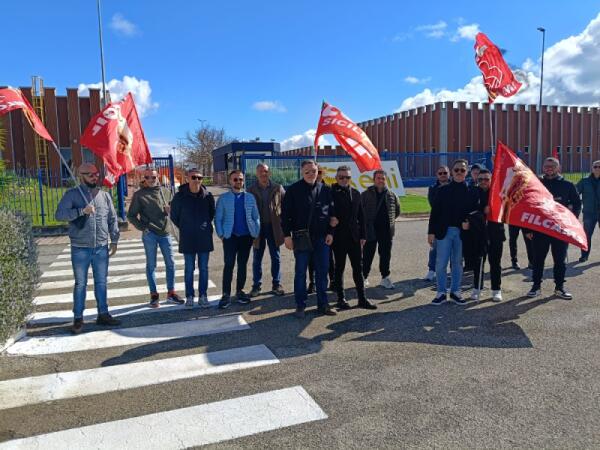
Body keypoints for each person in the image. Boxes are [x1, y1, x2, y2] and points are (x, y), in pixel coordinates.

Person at [55, 163, 120, 334]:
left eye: (96, 174)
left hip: (101, 247)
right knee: (80, 284)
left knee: (101, 282)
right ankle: (78, 317)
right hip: (80, 248)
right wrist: (81, 211)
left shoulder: (104, 196)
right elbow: (59, 215)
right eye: (90, 174)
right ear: (81, 175)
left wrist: (114, 240)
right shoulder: (72, 195)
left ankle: (103, 314)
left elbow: (112, 218)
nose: (94, 177)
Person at [282, 160, 337, 318]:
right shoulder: (293, 190)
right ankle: (300, 305)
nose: (311, 174)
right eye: (308, 171)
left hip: (322, 239)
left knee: (322, 272)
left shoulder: (325, 190)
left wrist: (331, 233)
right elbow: (285, 216)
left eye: (314, 171)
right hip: (301, 238)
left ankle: (323, 304)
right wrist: (287, 236)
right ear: (302, 172)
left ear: (318, 171)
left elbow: (332, 214)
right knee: (300, 273)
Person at [527, 157, 581, 299]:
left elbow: (577, 204)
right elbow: (528, 206)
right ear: (543, 167)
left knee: (560, 260)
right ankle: (536, 286)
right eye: (546, 166)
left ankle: (559, 287)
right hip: (540, 228)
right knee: (538, 259)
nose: (549, 168)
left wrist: (571, 222)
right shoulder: (536, 184)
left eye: (552, 166)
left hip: (559, 229)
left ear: (558, 168)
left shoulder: (568, 185)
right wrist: (528, 229)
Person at [427, 159, 480, 305]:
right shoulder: (442, 190)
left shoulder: (472, 191)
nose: (459, 172)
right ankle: (441, 292)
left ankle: (456, 291)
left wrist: (469, 222)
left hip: (462, 233)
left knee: (457, 263)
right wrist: (431, 232)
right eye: (456, 170)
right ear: (452, 171)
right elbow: (435, 212)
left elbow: (475, 212)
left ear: (466, 172)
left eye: (462, 170)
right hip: (444, 232)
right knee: (441, 263)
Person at [127, 168, 182, 308]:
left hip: (165, 233)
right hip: (150, 234)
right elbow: (131, 215)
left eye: (153, 177)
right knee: (151, 265)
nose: (151, 180)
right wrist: (142, 227)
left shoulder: (166, 192)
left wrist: (170, 211)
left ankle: (171, 293)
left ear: (158, 177)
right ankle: (154, 295)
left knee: (171, 263)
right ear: (144, 178)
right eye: (147, 177)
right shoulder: (139, 195)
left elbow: (175, 212)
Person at [330, 166, 376, 310]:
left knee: (358, 268)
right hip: (338, 238)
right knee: (339, 268)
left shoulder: (356, 193)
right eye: (341, 177)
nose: (344, 180)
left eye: (347, 177)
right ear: (336, 178)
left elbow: (361, 216)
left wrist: (363, 235)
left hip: (354, 238)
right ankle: (341, 299)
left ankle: (362, 299)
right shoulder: (331, 193)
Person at [215, 170, 260, 308]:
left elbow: (256, 216)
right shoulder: (223, 198)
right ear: (230, 181)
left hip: (246, 237)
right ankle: (226, 294)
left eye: (240, 179)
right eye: (235, 179)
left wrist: (255, 233)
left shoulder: (250, 197)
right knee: (229, 264)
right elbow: (218, 218)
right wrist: (221, 234)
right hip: (230, 237)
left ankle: (239, 291)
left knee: (242, 264)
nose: (238, 182)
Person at [170, 168, 215, 308]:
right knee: (189, 268)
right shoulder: (179, 197)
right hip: (187, 237)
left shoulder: (208, 196)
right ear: (187, 178)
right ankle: (189, 296)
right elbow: (174, 216)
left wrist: (203, 225)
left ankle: (203, 295)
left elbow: (211, 214)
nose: (197, 180)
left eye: (199, 178)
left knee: (204, 268)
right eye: (193, 177)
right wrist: (185, 226)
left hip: (204, 237)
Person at [247, 163, 285, 297]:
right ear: (256, 174)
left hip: (274, 227)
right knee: (257, 258)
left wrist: (284, 225)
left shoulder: (278, 188)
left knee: (276, 257)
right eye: (261, 171)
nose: (263, 174)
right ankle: (256, 286)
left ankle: (277, 284)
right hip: (258, 228)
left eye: (266, 171)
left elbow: (286, 206)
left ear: (269, 173)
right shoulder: (250, 190)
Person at [361, 169, 401, 289]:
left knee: (385, 255)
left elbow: (397, 211)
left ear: (386, 180)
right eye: (378, 178)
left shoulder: (392, 195)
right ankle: (364, 277)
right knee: (367, 255)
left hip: (386, 231)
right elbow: (359, 212)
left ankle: (385, 278)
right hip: (370, 230)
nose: (380, 180)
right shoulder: (365, 194)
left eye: (383, 178)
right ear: (374, 180)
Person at [469, 169, 505, 302]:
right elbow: (469, 210)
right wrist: (482, 211)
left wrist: (493, 209)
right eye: (480, 179)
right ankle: (477, 288)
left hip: (496, 233)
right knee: (478, 262)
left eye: (486, 179)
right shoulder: (473, 192)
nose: (483, 182)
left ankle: (496, 289)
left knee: (495, 262)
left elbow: (506, 209)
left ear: (491, 180)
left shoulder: (497, 193)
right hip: (478, 234)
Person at [308, 165, 336, 293]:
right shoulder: (307, 189)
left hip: (326, 230)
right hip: (311, 231)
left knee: (328, 258)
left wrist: (331, 229)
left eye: (319, 172)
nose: (317, 174)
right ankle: (312, 282)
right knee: (311, 259)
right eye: (315, 172)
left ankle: (332, 280)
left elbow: (332, 210)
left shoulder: (327, 189)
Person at [424, 165, 450, 280]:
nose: (443, 175)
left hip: (452, 222)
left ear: (449, 174)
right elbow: (433, 205)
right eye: (440, 173)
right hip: (438, 223)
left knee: (454, 250)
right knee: (435, 248)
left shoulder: (454, 186)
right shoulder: (433, 188)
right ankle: (431, 270)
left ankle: (451, 271)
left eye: (445, 173)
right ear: (437, 175)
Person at [576, 160, 600, 262]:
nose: (597, 169)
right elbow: (575, 193)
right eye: (595, 167)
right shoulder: (584, 181)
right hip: (589, 213)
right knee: (586, 235)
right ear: (592, 168)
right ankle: (584, 255)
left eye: (599, 167)